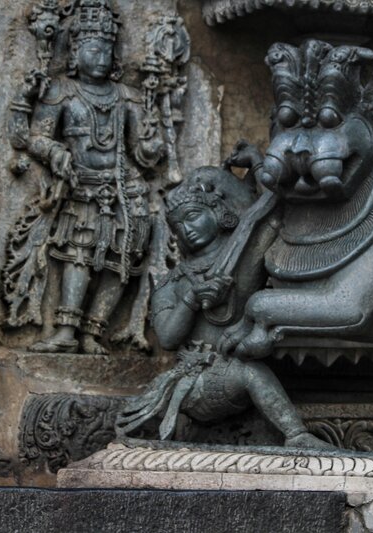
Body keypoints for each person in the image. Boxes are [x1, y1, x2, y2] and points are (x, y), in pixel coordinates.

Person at [117, 165, 332, 448]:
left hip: (239, 361)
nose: (186, 229)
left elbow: (263, 218)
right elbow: (168, 338)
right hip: (199, 379)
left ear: (218, 214)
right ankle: (297, 435)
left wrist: (259, 166)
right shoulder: (173, 282)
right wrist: (190, 300)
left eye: (193, 217)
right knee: (249, 372)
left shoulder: (240, 255)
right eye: (177, 226)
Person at [23, 0, 164, 354]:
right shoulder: (60, 92)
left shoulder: (127, 97)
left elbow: (142, 154)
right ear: (75, 52)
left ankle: (93, 331)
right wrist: (55, 152)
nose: (101, 55)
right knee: (80, 254)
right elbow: (35, 136)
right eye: (93, 48)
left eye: (108, 49)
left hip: (125, 190)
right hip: (82, 186)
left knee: (121, 261)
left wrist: (152, 141)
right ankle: (67, 331)